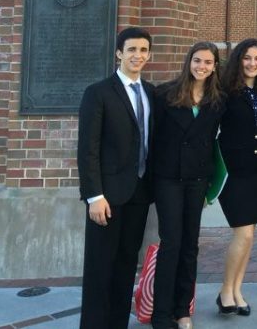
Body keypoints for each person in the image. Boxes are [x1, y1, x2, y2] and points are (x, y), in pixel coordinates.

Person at [77, 26, 155, 329]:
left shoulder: (149, 92)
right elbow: (88, 149)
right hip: (106, 197)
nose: (138, 55)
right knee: (100, 267)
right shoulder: (98, 93)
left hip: (138, 193)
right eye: (132, 49)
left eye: (144, 50)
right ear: (119, 53)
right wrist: (94, 195)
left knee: (125, 264)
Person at [151, 41, 226, 329]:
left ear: (215, 66)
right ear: (189, 62)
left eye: (208, 62)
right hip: (168, 179)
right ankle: (161, 313)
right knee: (171, 243)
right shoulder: (165, 94)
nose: (202, 66)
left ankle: (183, 309)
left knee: (190, 246)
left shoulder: (218, 100)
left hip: (197, 180)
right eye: (197, 61)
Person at [215, 38, 257, 317]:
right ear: (239, 60)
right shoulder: (225, 92)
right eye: (247, 58)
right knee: (244, 233)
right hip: (235, 173)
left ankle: (237, 289)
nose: (252, 63)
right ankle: (226, 291)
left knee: (250, 237)